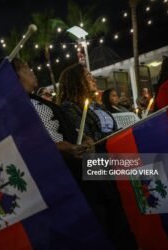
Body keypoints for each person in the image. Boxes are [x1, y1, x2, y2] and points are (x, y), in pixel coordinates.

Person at [10, 59, 137, 250]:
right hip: (82, 168)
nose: (32, 71)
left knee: (141, 171)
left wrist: (86, 139)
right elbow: (42, 141)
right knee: (140, 168)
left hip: (92, 162)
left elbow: (73, 131)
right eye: (27, 68)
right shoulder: (36, 108)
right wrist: (76, 145)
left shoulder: (40, 102)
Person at [57, 63, 118, 145]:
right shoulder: (69, 108)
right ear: (76, 81)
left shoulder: (96, 105)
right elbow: (88, 138)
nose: (94, 80)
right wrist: (116, 135)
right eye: (89, 77)